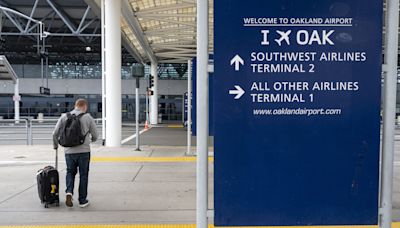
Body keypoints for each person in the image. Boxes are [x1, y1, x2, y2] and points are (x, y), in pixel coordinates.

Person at [52, 99, 98, 208]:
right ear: (85, 106)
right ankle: (82, 200)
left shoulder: (64, 116)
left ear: (75, 106)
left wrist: (55, 146)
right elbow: (95, 134)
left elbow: (54, 133)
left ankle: (69, 192)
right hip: (84, 151)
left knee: (70, 172)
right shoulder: (88, 117)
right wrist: (92, 140)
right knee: (83, 175)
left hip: (69, 151)